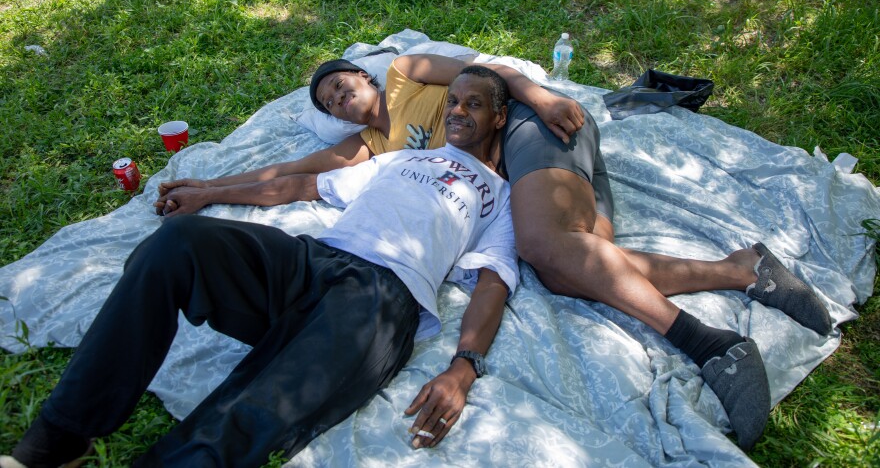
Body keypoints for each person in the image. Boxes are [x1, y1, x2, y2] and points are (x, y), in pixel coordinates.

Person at [155, 54, 833, 451]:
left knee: (543, 248)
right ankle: (744, 269)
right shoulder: (370, 150)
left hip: (528, 122)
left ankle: (710, 343)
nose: (342, 97)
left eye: (343, 83)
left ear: (364, 76)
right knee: (580, 263)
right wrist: (208, 189)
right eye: (331, 100)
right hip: (519, 166)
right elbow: (290, 176)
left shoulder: (403, 73)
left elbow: (479, 73)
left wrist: (533, 94)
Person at [1, 70, 518, 468]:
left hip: (382, 299)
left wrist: (463, 367)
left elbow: (493, 280)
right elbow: (300, 186)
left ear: (499, 117)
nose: (457, 110)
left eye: (474, 103)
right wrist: (208, 194)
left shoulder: (501, 194)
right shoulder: (401, 160)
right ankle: (53, 441)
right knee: (177, 242)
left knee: (257, 407)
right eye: (453, 100)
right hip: (314, 260)